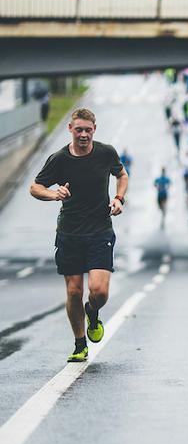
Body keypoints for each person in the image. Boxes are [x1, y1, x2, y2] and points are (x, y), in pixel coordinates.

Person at [30, 108, 128, 363]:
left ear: (94, 130)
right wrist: (54, 194)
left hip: (100, 230)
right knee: (74, 291)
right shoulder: (60, 159)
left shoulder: (106, 152)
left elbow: (121, 175)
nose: (83, 134)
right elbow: (35, 187)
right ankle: (79, 344)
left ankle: (92, 312)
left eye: (88, 130)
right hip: (69, 232)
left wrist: (118, 198)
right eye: (79, 129)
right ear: (70, 129)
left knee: (99, 291)